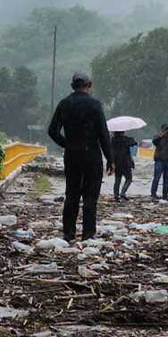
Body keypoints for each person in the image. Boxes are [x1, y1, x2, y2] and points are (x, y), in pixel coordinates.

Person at [48, 72, 113, 242]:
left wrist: (66, 144)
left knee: (72, 194)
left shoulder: (64, 104)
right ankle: (88, 234)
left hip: (72, 155)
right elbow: (103, 135)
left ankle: (68, 233)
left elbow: (52, 131)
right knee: (90, 196)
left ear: (72, 86)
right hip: (92, 154)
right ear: (89, 85)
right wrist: (110, 159)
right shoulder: (95, 105)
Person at [151, 124, 168, 200]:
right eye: (165, 129)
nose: (166, 131)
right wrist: (161, 136)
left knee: (166, 179)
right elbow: (154, 142)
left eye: (167, 129)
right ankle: (153, 194)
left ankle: (165, 195)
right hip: (159, 160)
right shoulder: (158, 136)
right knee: (156, 178)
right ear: (162, 130)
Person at [111, 131, 137, 202]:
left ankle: (116, 195)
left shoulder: (113, 140)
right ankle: (123, 193)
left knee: (117, 180)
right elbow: (134, 143)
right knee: (129, 178)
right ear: (122, 132)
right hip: (125, 163)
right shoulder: (126, 139)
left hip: (117, 163)